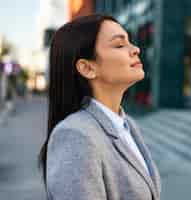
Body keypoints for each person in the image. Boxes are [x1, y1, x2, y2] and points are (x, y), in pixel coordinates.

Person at [38, 14, 161, 200]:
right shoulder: (75, 135)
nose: (135, 49)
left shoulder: (128, 125)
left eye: (130, 42)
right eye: (119, 45)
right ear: (87, 68)